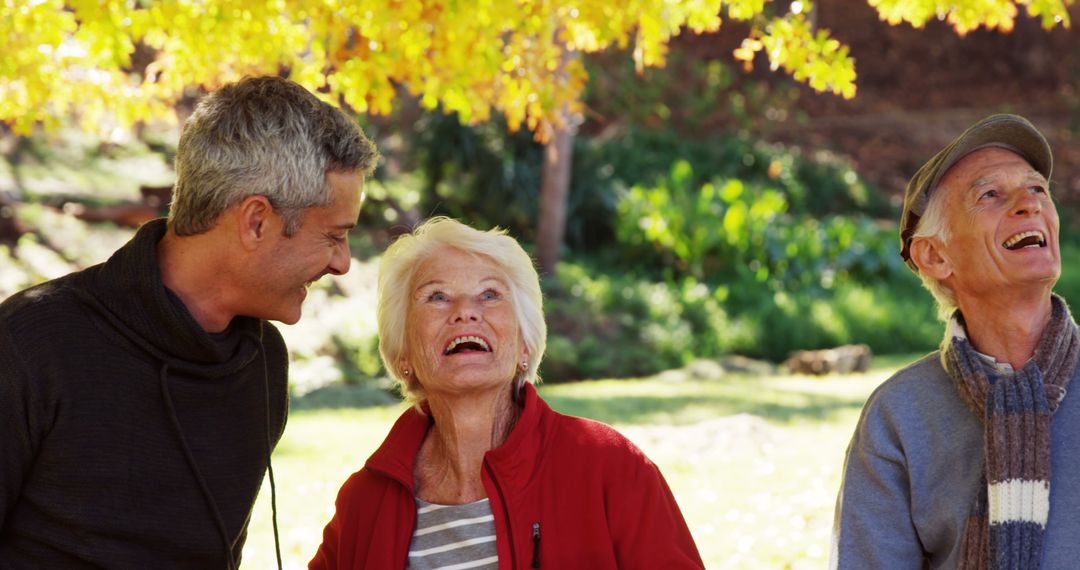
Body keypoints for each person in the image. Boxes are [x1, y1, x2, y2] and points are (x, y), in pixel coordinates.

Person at [0, 76, 378, 569]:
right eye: (333, 236)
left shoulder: (263, 361)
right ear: (256, 221)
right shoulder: (29, 345)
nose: (344, 263)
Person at [309, 217, 703, 569]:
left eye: (490, 295)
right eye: (437, 297)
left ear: (525, 344)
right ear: (403, 353)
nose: (466, 311)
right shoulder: (364, 503)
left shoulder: (611, 467)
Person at [830, 114, 1080, 568]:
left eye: (1037, 189)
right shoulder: (900, 415)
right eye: (991, 195)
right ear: (935, 255)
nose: (1029, 205)